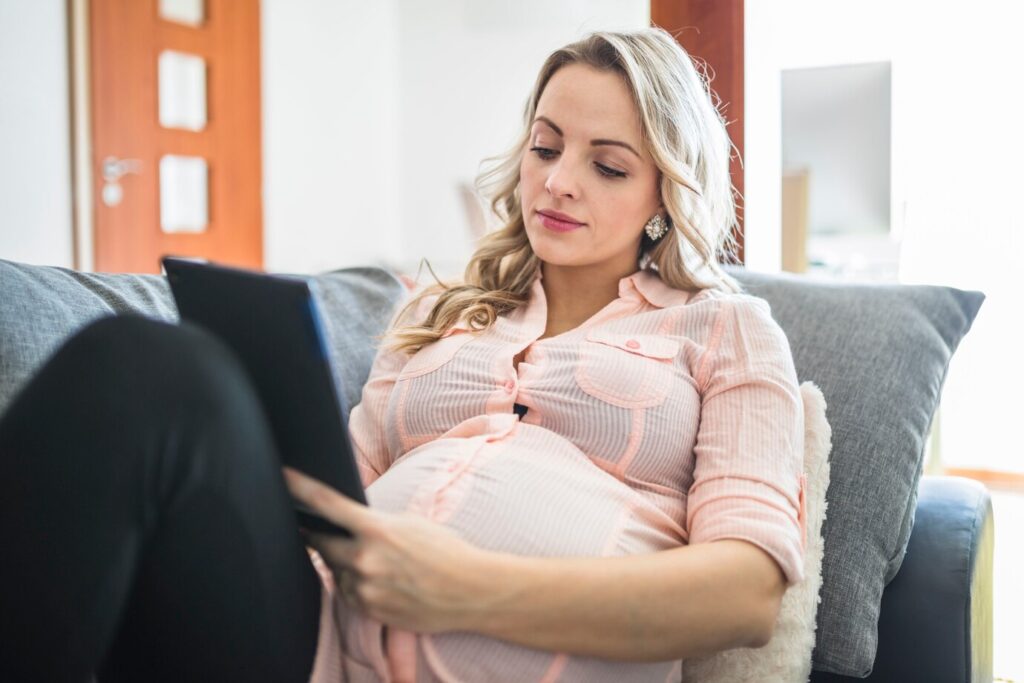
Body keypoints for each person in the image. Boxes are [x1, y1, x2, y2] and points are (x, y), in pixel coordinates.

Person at [0, 27, 805, 683]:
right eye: (545, 147)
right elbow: (340, 485)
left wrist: (460, 587)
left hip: (483, 652)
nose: (557, 182)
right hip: (308, 641)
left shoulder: (729, 331)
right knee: (149, 366)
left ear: (667, 193)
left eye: (606, 165)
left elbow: (746, 592)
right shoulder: (439, 310)